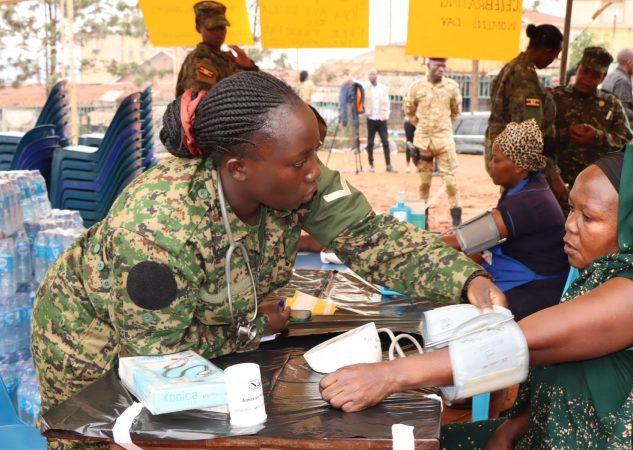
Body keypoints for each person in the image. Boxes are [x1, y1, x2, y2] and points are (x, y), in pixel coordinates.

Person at [32, 71, 507, 449]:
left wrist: (466, 279)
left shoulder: (293, 175)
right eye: (301, 161)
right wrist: (248, 326)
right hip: (96, 345)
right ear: (238, 167)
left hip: (192, 332)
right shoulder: (157, 228)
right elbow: (160, 367)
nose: (314, 172)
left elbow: (371, 236)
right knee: (115, 437)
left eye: (315, 154)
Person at [320, 145, 633, 449]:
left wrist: (391, 375)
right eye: (571, 209)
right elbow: (564, 377)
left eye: (588, 218)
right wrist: (511, 429)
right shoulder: (604, 276)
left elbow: (522, 343)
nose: (568, 227)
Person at [442, 120, 567, 320]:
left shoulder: (528, 203)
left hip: (534, 294)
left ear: (518, 166)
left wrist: (421, 244)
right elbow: (478, 246)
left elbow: (464, 239)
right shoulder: (528, 187)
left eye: (496, 159)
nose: (491, 165)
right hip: (526, 282)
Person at [487, 24, 567, 203]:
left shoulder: (513, 67)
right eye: (554, 56)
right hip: (521, 167)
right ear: (547, 51)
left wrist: (544, 97)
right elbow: (527, 135)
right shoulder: (525, 77)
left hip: (509, 159)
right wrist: (552, 176)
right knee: (523, 209)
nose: (552, 61)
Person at [552, 47, 633, 189]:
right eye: (584, 72)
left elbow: (625, 141)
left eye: (595, 75)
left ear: (604, 76)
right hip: (558, 182)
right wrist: (566, 133)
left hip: (596, 183)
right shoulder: (556, 98)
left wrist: (598, 136)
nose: (587, 79)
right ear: (577, 68)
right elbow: (540, 137)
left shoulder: (611, 103)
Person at [404, 57, 464, 227]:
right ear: (428, 65)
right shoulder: (416, 87)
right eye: (438, 65)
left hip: (444, 141)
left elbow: (455, 112)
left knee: (450, 182)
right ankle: (423, 222)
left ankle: (456, 222)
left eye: (444, 66)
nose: (441, 69)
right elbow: (409, 112)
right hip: (423, 142)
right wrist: (422, 126)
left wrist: (443, 128)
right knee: (424, 183)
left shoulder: (452, 87)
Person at [174, 0, 258, 97]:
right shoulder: (200, 60)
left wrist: (248, 66)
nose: (218, 33)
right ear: (198, 28)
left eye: (221, 27)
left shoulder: (225, 58)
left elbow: (257, 87)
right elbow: (204, 104)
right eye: (211, 28)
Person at [364, 69, 395, 173]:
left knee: (385, 142)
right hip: (371, 118)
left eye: (373, 74)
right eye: (370, 74)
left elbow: (388, 102)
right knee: (370, 142)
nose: (371, 76)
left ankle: (389, 165)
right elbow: (362, 101)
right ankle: (371, 164)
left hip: (382, 119)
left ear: (376, 76)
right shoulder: (366, 89)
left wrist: (387, 114)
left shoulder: (383, 88)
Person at [339, 76, 364, 151]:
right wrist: (344, 118)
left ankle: (356, 145)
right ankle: (353, 146)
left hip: (357, 108)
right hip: (349, 107)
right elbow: (343, 101)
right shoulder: (344, 87)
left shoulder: (358, 86)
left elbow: (361, 98)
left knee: (357, 127)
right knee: (351, 127)